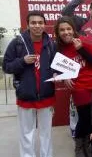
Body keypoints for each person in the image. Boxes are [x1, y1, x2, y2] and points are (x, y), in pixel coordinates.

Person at [2, 11, 56, 157]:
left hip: (46, 95)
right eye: (33, 23)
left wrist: (56, 73)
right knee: (27, 133)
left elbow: (56, 66)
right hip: (25, 95)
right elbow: (6, 66)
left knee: (46, 133)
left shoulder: (51, 44)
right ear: (27, 25)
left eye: (40, 23)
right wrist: (22, 61)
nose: (37, 26)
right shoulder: (18, 43)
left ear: (45, 25)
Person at [54, 16, 92, 157]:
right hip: (78, 87)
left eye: (68, 29)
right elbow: (53, 66)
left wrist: (80, 49)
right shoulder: (58, 48)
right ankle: (79, 146)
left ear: (73, 30)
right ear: (58, 32)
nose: (66, 32)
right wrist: (62, 75)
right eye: (62, 30)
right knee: (84, 117)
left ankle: (89, 143)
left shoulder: (83, 40)